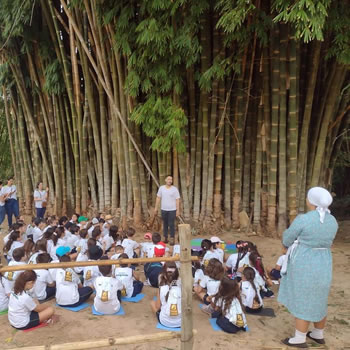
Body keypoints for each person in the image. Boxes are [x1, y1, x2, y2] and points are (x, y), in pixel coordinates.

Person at [278, 187, 338, 348]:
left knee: (302, 297)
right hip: (324, 261)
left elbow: (288, 237)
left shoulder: (304, 219)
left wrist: (285, 246)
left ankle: (299, 338)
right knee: (319, 296)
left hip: (304, 260)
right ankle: (318, 333)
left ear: (310, 201)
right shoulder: (332, 220)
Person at [150, 261, 182, 328]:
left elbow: (158, 307)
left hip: (165, 321)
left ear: (164, 275)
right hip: (180, 322)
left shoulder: (162, 288)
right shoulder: (182, 287)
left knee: (152, 303)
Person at [154, 175, 180, 245]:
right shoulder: (161, 188)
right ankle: (165, 237)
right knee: (165, 224)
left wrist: (178, 210)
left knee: (171, 224)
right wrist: (156, 208)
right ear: (165, 180)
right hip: (164, 209)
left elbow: (177, 199)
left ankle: (172, 238)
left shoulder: (174, 189)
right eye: (168, 179)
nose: (170, 181)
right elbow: (158, 198)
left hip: (172, 210)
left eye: (171, 179)